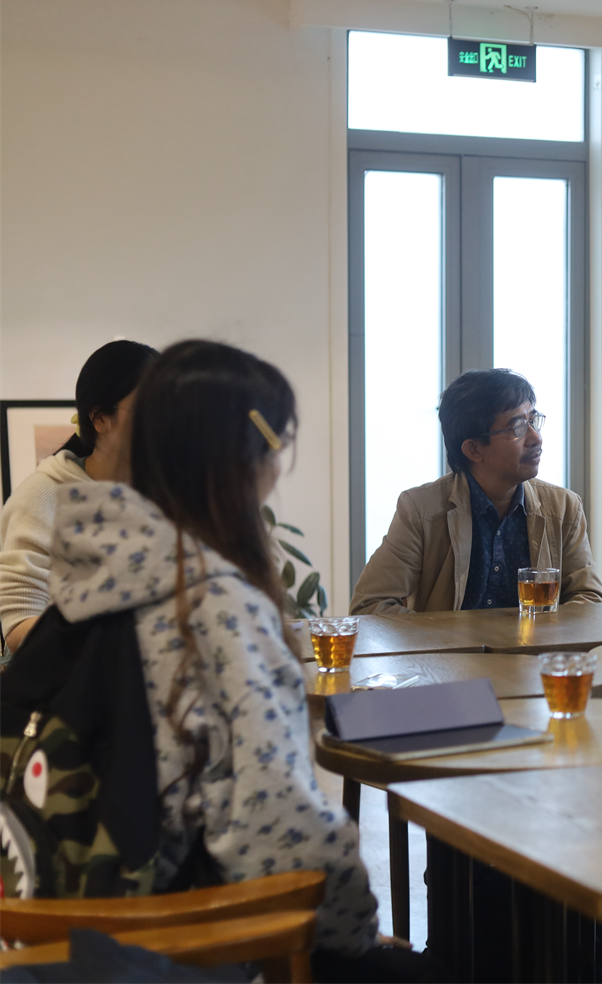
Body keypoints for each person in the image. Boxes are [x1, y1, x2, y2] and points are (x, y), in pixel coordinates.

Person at [42, 340, 433, 979]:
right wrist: (356, 933)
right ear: (249, 453)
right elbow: (277, 830)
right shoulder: (213, 603)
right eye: (282, 445)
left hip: (67, 935)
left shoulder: (88, 578)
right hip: (182, 944)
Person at [351, 368, 602, 615]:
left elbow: (590, 600)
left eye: (532, 420)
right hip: (448, 646)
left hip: (536, 645)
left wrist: (543, 635)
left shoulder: (563, 507)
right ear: (473, 449)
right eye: (517, 427)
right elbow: (370, 605)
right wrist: (442, 637)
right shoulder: (421, 511)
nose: (535, 437)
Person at [0, 340, 157, 653]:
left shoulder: (168, 496)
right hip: (74, 680)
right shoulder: (45, 494)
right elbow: (19, 623)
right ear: (100, 419)